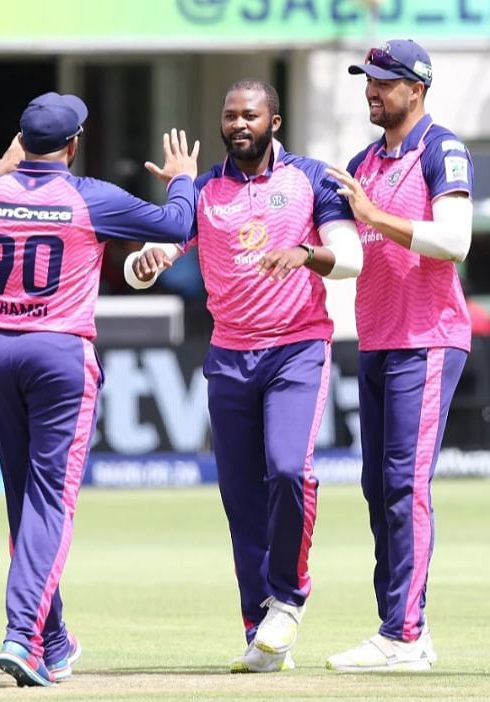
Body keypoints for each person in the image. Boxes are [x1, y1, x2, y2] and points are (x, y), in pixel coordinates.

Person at [0, 92, 199, 687]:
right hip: (59, 352)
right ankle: (23, 635)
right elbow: (177, 223)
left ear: (21, 141)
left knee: (22, 498)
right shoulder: (88, 197)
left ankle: (53, 639)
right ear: (74, 145)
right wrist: (182, 179)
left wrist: (1, 166)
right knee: (50, 499)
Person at [124, 79, 362, 674]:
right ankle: (260, 629)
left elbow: (350, 256)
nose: (238, 124)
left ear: (274, 122)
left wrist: (306, 254)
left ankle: (290, 595)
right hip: (229, 357)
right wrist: (147, 261)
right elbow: (142, 261)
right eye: (230, 115)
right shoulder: (204, 189)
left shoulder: (309, 179)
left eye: (250, 115)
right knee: (240, 497)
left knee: (288, 469)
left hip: (295, 350)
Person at [324, 39, 474, 672]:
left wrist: (374, 216)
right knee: (377, 486)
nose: (372, 89)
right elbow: (335, 238)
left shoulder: (444, 149)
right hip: (379, 338)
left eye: (384, 81)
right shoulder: (363, 160)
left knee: (404, 484)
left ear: (418, 88)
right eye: (368, 78)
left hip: (429, 337)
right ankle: (402, 628)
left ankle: (405, 634)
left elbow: (455, 241)